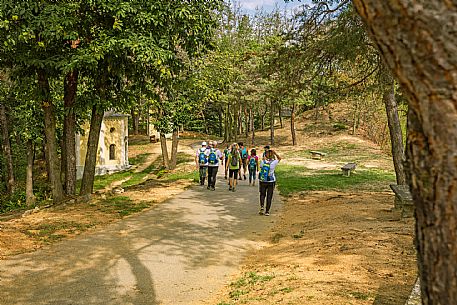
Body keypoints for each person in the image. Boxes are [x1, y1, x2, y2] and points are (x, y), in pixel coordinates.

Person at [258, 148, 281, 216]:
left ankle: (262, 206)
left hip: (263, 180)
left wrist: (264, 158)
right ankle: (267, 211)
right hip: (271, 180)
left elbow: (261, 167)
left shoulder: (263, 162)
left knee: (262, 194)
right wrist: (275, 153)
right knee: (269, 196)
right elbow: (279, 158)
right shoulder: (274, 162)